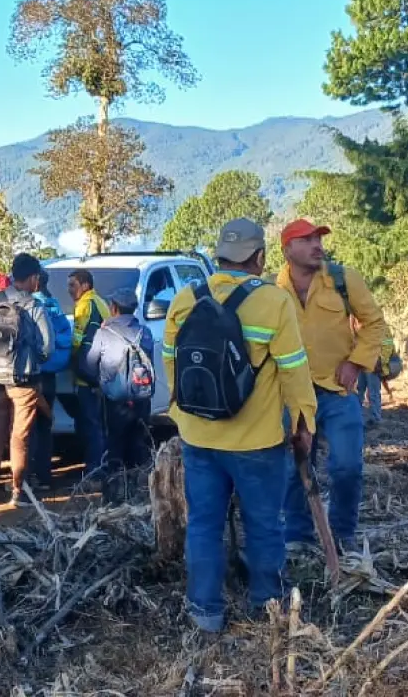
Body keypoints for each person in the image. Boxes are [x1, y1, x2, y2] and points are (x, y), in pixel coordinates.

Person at [164, 219, 317, 634]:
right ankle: (267, 610)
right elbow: (293, 371)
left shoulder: (185, 299)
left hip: (198, 439)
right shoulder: (273, 301)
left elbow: (172, 366)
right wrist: (304, 423)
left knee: (203, 524)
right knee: (264, 524)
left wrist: (183, 418)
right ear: (260, 257)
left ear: (219, 256)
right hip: (257, 442)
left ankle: (204, 612)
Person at [277, 219, 385, 551]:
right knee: (294, 466)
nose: (316, 245)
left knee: (347, 466)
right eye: (306, 239)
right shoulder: (273, 291)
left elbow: (375, 322)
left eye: (318, 239)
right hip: (293, 395)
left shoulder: (343, 279)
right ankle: (298, 535)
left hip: (337, 392)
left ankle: (343, 534)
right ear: (287, 249)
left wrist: (356, 362)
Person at [0, 253, 53, 505]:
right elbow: (47, 347)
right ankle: (18, 491)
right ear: (32, 278)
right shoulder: (34, 306)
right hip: (24, 382)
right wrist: (33, 361)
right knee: (19, 437)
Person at [81, 287, 154, 497]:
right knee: (137, 445)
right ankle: (136, 493)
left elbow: (89, 364)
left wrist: (100, 381)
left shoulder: (104, 333)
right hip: (141, 397)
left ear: (113, 308)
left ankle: (113, 495)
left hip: (113, 400)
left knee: (114, 446)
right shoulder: (144, 332)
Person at [30, 269, 73, 492]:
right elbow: (66, 336)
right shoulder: (54, 305)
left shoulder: (30, 306)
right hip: (51, 375)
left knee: (27, 426)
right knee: (46, 425)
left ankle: (28, 478)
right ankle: (45, 477)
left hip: (32, 375)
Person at [67, 269, 110, 479]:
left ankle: (94, 470)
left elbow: (76, 340)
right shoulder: (101, 302)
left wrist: (69, 358)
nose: (69, 290)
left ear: (85, 285)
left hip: (86, 376)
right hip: (100, 371)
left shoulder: (85, 305)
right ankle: (99, 465)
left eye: (73, 285)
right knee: (97, 423)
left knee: (90, 423)